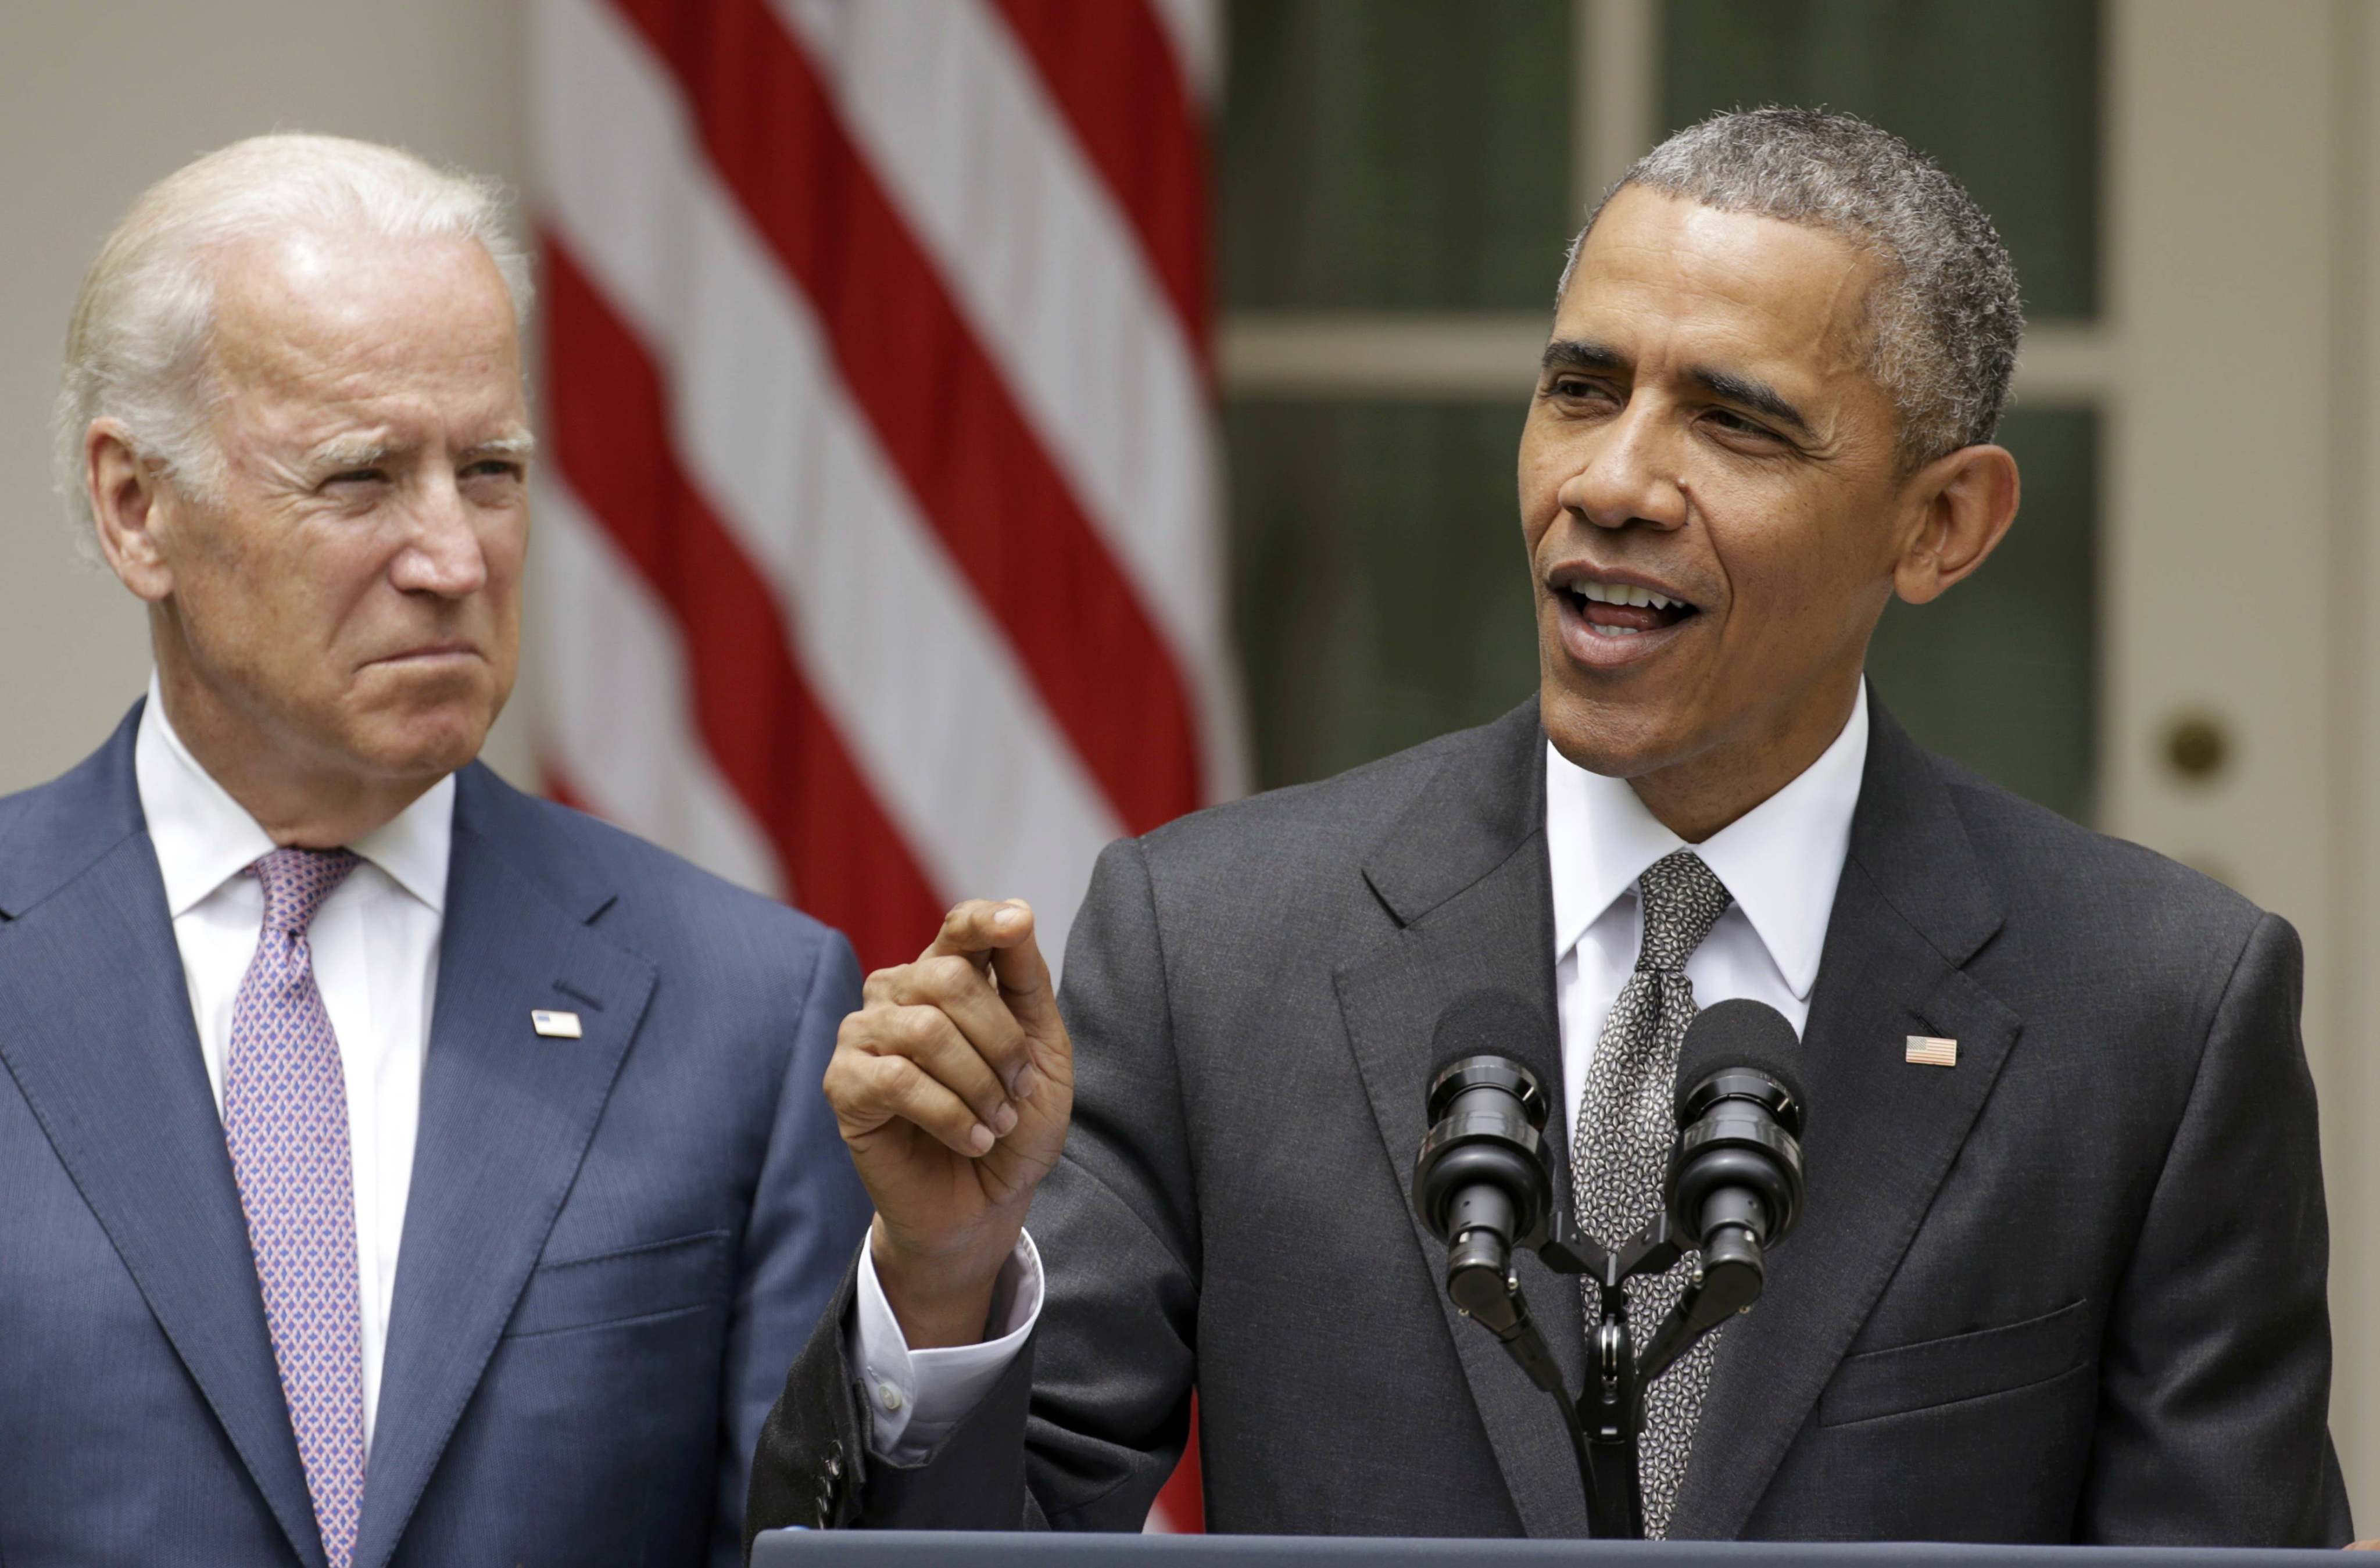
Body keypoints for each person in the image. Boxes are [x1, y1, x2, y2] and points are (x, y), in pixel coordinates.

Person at [747, 109, 2351, 1547]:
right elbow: (971, 1539)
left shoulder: (2156, 1012)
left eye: (1734, 422)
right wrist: (946, 1286)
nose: (1614, 479)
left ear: (1942, 525)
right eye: (1582, 389)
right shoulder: (1217, 943)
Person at [0, 134, 870, 1567]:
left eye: (490, 470)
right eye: (359, 479)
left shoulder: (746, 1011)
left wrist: (948, 1289)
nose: (455, 557)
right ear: (135, 507)